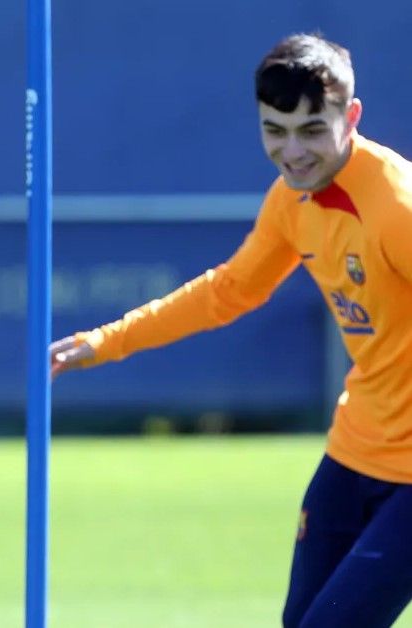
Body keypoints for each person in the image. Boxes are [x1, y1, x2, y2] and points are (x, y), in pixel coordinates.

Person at [50, 34, 412, 628]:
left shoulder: (396, 208)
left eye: (313, 130)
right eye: (276, 130)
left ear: (351, 117)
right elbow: (230, 290)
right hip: (354, 450)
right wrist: (109, 340)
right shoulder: (291, 199)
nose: (293, 152)